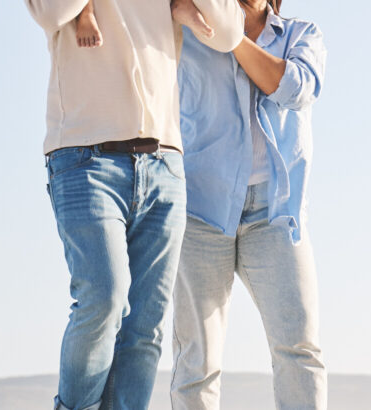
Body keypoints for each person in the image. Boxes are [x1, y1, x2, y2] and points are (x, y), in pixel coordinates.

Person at [24, 1, 242, 409]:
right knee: (103, 299)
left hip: (164, 163)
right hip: (85, 159)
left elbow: (228, 32)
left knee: (146, 326)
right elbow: (51, 13)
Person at [165, 0, 328, 409]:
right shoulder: (191, 29)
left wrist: (231, 37)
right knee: (196, 363)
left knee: (299, 349)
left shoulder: (300, 34)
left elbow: (291, 87)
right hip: (202, 208)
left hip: (275, 215)